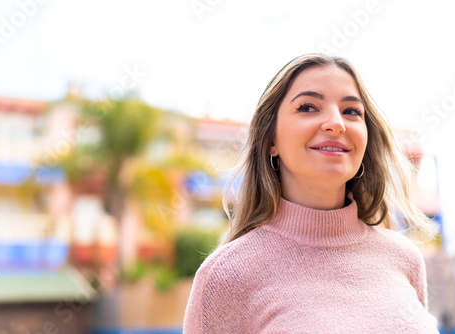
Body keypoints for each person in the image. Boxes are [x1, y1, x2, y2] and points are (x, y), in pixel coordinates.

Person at [183, 54, 439, 333]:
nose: (336, 123)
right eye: (307, 107)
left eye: (351, 111)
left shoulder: (404, 258)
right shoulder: (226, 276)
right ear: (270, 140)